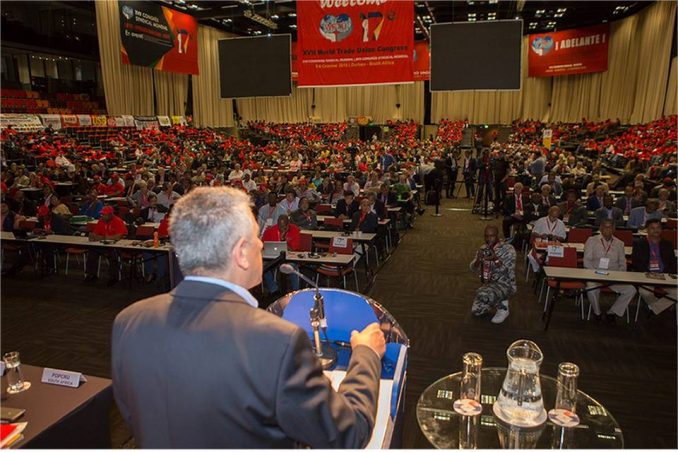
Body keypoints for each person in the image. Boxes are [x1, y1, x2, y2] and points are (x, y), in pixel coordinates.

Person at [112, 187, 384, 448]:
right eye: (256, 236)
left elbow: (135, 415)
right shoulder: (278, 341)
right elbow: (347, 434)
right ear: (241, 253)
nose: (261, 243)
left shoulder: (129, 321)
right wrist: (366, 353)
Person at [583, 219, 636, 323]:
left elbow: (622, 263)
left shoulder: (620, 243)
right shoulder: (591, 240)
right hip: (595, 275)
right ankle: (597, 312)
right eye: (605, 227)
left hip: (613, 277)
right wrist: (595, 274)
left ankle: (611, 312)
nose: (608, 229)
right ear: (600, 228)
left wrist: (617, 276)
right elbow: (587, 261)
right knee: (591, 287)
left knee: (631, 290)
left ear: (614, 229)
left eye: (610, 227)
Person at [469, 225, 516, 324]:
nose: (489, 239)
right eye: (486, 236)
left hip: (506, 284)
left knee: (483, 294)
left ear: (497, 236)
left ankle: (503, 306)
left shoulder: (508, 249)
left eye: (492, 236)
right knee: (476, 311)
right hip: (489, 284)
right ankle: (493, 298)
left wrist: (495, 259)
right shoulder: (484, 248)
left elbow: (508, 271)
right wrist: (478, 259)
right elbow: (472, 269)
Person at [631, 219, 677, 316]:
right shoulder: (639, 244)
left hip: (665, 277)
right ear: (646, 230)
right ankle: (662, 306)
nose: (656, 230)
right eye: (652, 228)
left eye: (658, 228)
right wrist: (648, 274)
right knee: (645, 292)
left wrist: (665, 275)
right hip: (646, 276)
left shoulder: (668, 244)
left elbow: (673, 263)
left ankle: (653, 308)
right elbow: (636, 263)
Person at [85, 205, 128, 285]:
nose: (102, 216)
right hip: (103, 245)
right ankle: (91, 274)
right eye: (102, 214)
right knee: (92, 251)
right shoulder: (101, 221)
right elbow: (94, 235)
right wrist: (102, 237)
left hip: (116, 246)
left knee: (113, 254)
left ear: (111, 215)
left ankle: (113, 277)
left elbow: (118, 237)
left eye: (104, 214)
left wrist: (101, 237)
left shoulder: (118, 221)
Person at [262, 214, 301, 294]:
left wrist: (283, 239)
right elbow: (264, 245)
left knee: (292, 268)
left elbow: (293, 249)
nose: (280, 228)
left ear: (288, 224)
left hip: (289, 258)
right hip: (273, 258)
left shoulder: (294, 230)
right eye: (279, 225)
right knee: (264, 267)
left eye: (283, 225)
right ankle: (274, 289)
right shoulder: (271, 230)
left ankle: (296, 292)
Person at [528, 206, 567, 273]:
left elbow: (563, 237)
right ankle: (537, 270)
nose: (553, 219)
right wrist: (540, 235)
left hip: (554, 245)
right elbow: (533, 232)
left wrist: (557, 237)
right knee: (531, 256)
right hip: (541, 244)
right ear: (549, 213)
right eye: (552, 216)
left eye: (555, 217)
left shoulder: (561, 223)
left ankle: (550, 272)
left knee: (553, 258)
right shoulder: (541, 220)